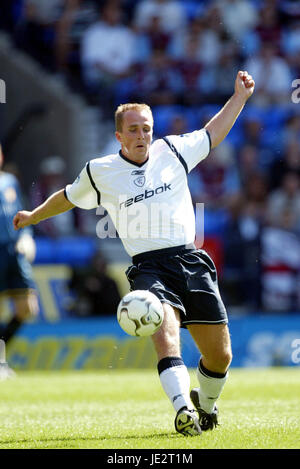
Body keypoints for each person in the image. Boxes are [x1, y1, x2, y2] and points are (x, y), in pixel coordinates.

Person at [13, 70, 255, 436]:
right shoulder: (100, 171)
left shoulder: (172, 150)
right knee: (164, 328)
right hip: (149, 268)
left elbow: (212, 134)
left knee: (220, 356)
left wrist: (240, 96)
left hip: (190, 259)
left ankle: (205, 405)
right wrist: (33, 215)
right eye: (133, 130)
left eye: (146, 128)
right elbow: (67, 196)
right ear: (118, 136)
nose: (141, 135)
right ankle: (182, 411)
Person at [0, 144, 38, 352]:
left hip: (14, 251)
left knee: (28, 308)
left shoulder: (9, 181)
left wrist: (26, 236)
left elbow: (20, 213)